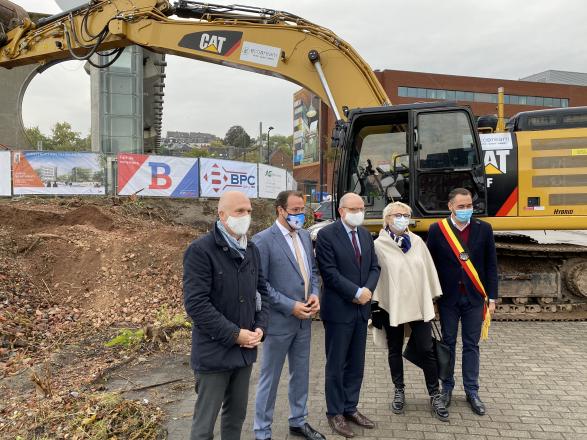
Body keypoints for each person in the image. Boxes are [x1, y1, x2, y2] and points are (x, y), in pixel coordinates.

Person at [183, 190, 270, 440]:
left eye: (249, 211)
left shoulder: (251, 249)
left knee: (236, 417)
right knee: (204, 427)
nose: (246, 216)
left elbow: (262, 293)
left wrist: (260, 328)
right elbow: (196, 304)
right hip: (214, 354)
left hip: (244, 353)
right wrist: (234, 335)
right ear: (222, 215)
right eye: (239, 211)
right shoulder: (201, 251)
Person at [253, 190, 325, 440]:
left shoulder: (305, 236)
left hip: (304, 321)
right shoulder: (263, 240)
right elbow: (260, 284)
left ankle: (298, 420)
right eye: (294, 210)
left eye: (302, 210)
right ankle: (262, 431)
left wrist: (315, 294)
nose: (299, 215)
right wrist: (290, 305)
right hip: (278, 321)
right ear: (280, 210)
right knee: (269, 378)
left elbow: (312, 271)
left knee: (301, 373)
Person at [371, 202, 448, 421]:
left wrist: (431, 299)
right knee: (394, 349)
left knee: (426, 349)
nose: (402, 218)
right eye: (398, 215)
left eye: (406, 215)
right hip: (391, 306)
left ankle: (435, 394)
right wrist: (375, 307)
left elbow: (428, 273)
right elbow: (377, 277)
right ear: (387, 218)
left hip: (417, 305)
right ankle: (399, 390)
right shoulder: (378, 245)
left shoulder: (417, 243)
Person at [426, 188, 498, 416]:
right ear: (450, 207)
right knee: (448, 344)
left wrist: (492, 297)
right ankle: (446, 388)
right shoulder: (438, 230)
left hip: (475, 298)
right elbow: (431, 266)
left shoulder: (483, 229)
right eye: (461, 206)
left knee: (471, 345)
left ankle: (472, 391)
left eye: (469, 206)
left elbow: (491, 266)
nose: (466, 210)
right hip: (448, 299)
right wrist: (431, 297)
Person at [315, 192, 380, 438]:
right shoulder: (326, 235)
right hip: (339, 309)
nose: (359, 212)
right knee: (337, 364)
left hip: (361, 310)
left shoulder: (365, 234)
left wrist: (368, 291)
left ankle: (350, 407)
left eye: (362, 208)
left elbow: (375, 266)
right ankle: (335, 413)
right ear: (342, 211)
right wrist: (355, 292)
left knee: (356, 363)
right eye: (354, 209)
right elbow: (329, 273)